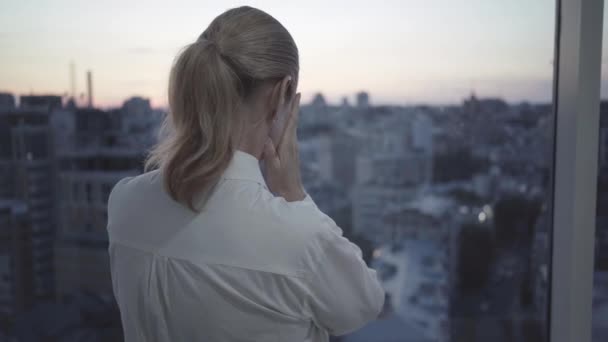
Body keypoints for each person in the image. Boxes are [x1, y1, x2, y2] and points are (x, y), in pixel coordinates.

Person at [107, 6, 385, 342]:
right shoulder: (296, 236)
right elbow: (364, 304)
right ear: (282, 94)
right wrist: (293, 193)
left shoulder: (124, 202)